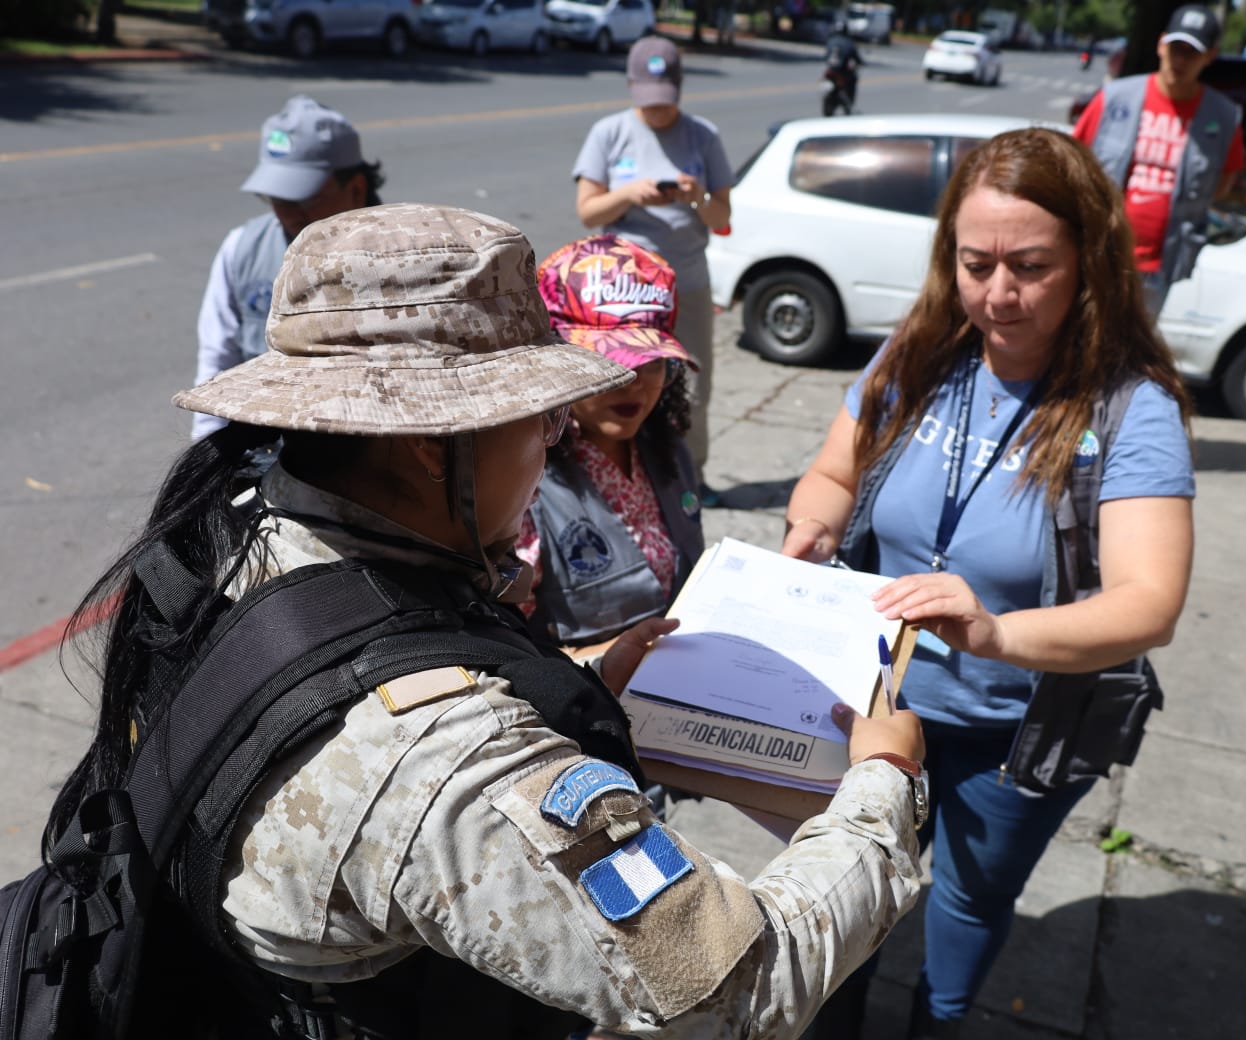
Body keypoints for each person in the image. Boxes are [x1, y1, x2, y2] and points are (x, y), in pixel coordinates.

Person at [50, 203, 927, 1038]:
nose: (554, 442)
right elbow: (739, 988)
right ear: (433, 447)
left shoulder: (234, 535)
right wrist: (882, 784)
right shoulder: (450, 759)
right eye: (542, 417)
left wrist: (580, 685)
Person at [782, 128, 1195, 1039]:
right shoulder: (922, 351)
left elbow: (1148, 603)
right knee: (845, 898)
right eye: (977, 265)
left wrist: (998, 635)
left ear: (1089, 262)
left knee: (968, 903)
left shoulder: (1131, 408)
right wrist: (812, 525)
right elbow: (834, 474)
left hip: (1016, 729)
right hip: (879, 705)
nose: (998, 295)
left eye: (1031, 268)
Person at [519, 234, 703, 658]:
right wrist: (604, 658)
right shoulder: (522, 483)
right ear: (556, 362)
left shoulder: (668, 448)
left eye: (651, 362)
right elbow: (506, 649)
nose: (633, 382)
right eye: (609, 363)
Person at [573, 36, 733, 503]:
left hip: (688, 282)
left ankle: (690, 476)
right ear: (631, 86)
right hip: (625, 289)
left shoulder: (703, 135)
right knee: (623, 386)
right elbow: (588, 212)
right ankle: (623, 476)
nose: (658, 110)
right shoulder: (609, 133)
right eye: (649, 100)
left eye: (665, 100)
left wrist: (696, 195)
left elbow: (722, 217)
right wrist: (630, 194)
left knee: (693, 387)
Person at [192, 94, 382, 440]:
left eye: (304, 198)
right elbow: (216, 362)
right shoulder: (241, 250)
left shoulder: (399, 261)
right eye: (277, 199)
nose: (288, 215)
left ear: (356, 188)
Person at [1072, 4, 1244, 316]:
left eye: (1191, 53)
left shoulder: (1223, 116)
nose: (1180, 60)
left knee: (1133, 345)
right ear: (1161, 44)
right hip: (1098, 255)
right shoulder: (1115, 98)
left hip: (1159, 267)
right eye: (1176, 48)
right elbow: (1072, 161)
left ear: (1210, 56)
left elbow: (1222, 182)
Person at [824, 23, 863, 110]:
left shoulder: (831, 40)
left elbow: (825, 56)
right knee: (853, 78)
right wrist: (860, 62)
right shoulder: (849, 41)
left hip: (830, 69)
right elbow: (855, 56)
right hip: (841, 70)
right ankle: (849, 101)